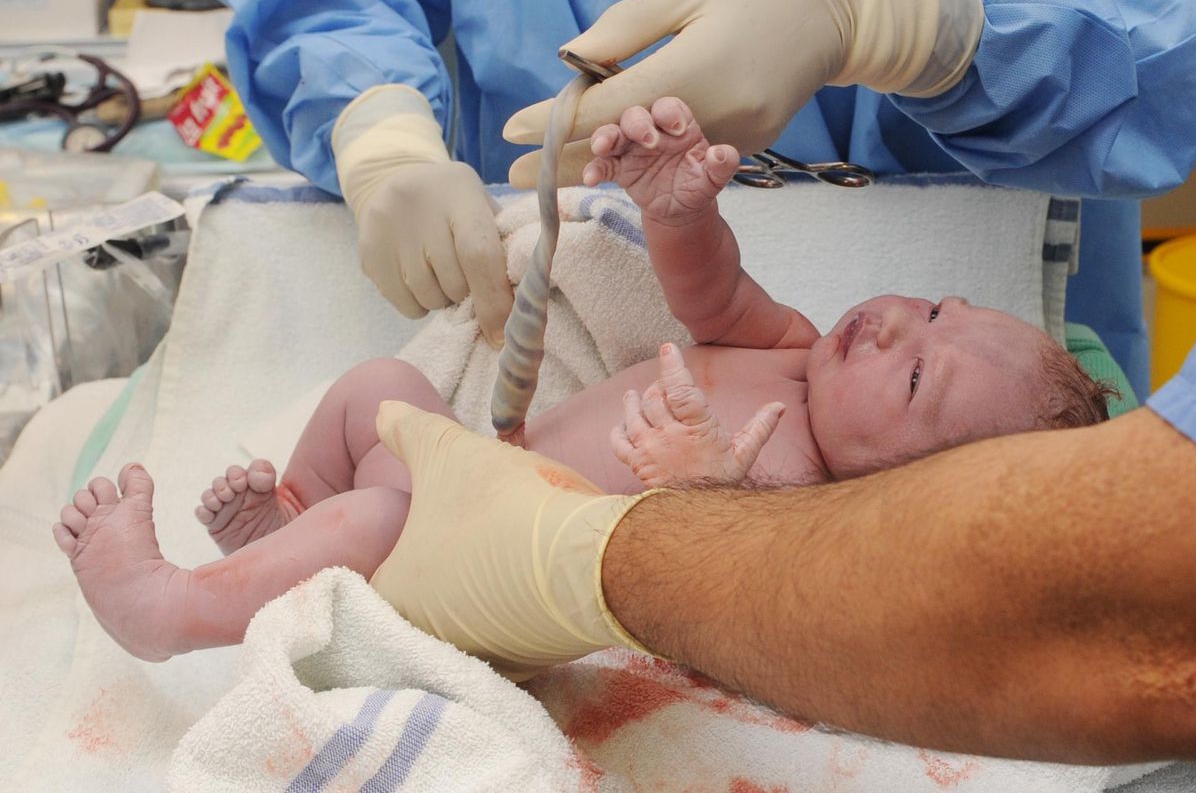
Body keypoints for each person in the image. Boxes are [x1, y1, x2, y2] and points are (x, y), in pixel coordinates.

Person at [49, 97, 1109, 664]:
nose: (894, 324)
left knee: (378, 516)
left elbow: (723, 587)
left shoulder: (813, 502)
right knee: (379, 387)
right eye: (938, 308)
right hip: (474, 472)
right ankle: (288, 532)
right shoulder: (794, 350)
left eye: (916, 373)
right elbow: (712, 298)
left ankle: (176, 610)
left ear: (909, 492)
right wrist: (679, 213)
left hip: (483, 571)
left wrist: (703, 487)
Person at [178, 0, 1196, 397]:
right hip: (534, 283)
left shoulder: (871, 371)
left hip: (980, 302)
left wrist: (911, 20)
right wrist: (375, 124)